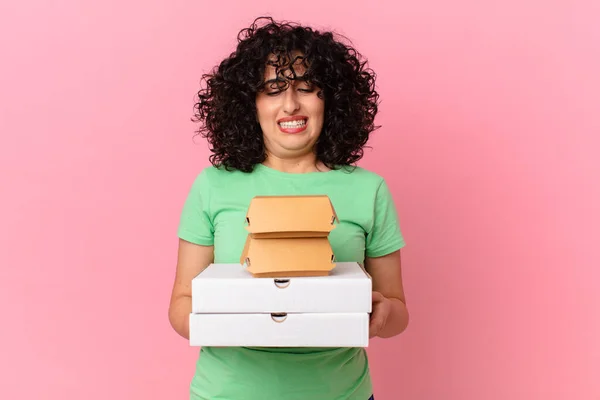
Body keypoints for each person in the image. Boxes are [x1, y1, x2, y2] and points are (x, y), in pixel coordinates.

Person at [168, 16, 409, 400]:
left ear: (330, 99)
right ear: (250, 103)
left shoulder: (369, 190)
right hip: (228, 392)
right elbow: (181, 304)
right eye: (273, 89)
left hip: (341, 392)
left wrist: (381, 317)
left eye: (307, 88)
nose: (291, 104)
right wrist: (226, 320)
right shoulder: (213, 185)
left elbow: (397, 309)